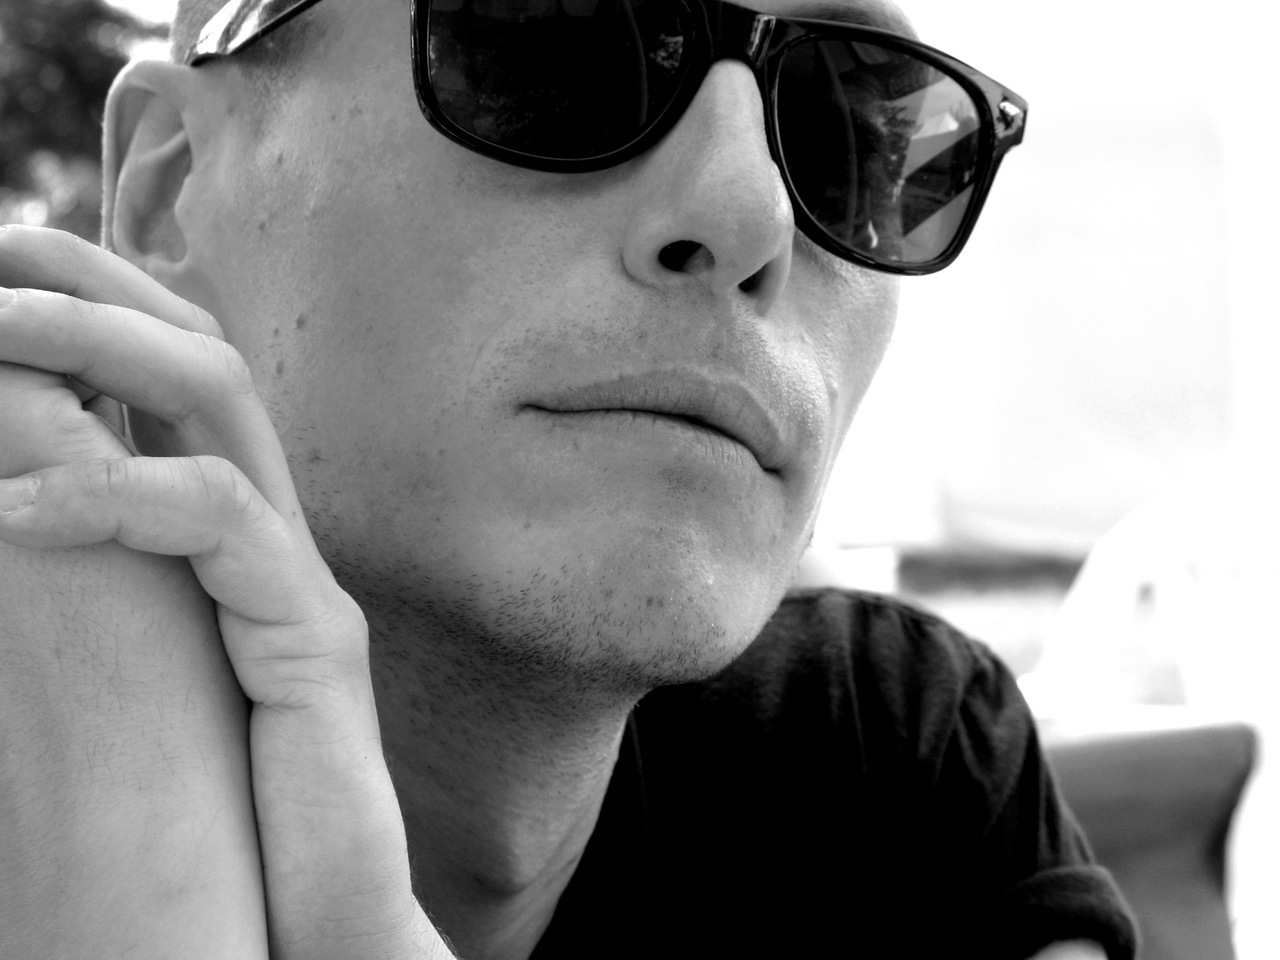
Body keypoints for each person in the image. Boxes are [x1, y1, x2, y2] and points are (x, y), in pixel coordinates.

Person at [0, 0, 1135, 957]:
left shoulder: (882, 766)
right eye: (556, 49)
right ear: (172, 186)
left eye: (846, 135)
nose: (750, 215)